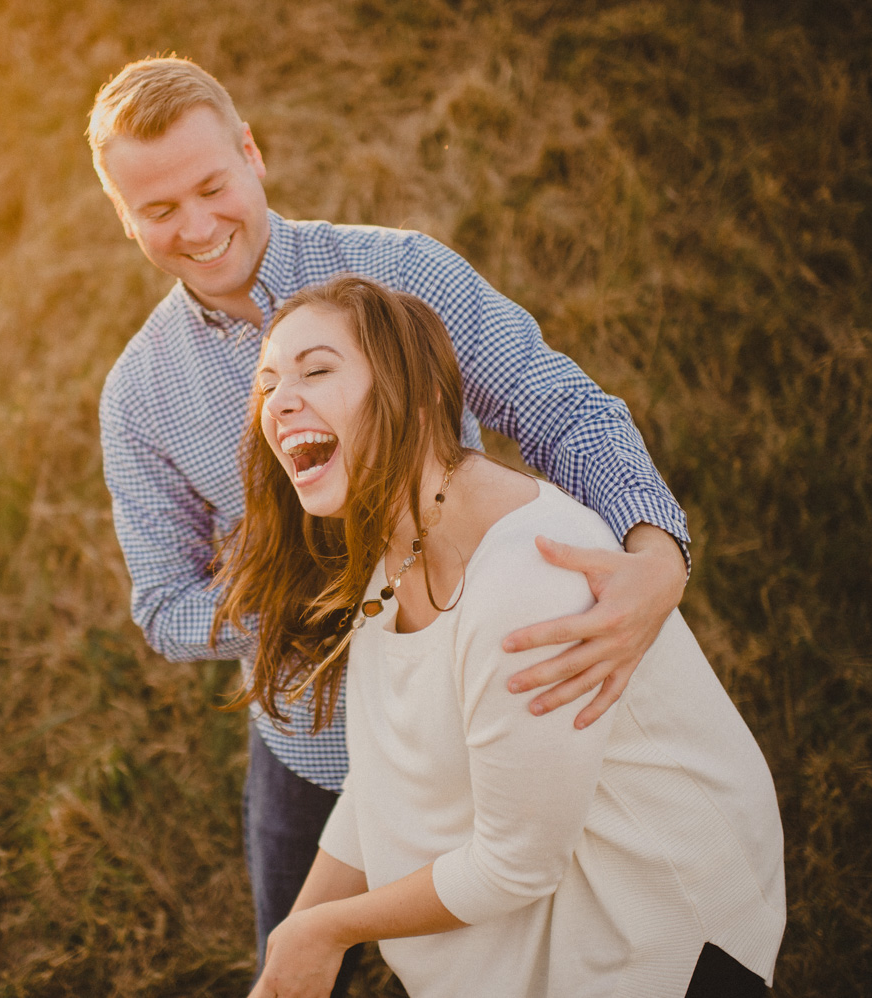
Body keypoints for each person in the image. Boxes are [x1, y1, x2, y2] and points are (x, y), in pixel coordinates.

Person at [88, 57, 694, 985]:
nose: (200, 227)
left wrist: (657, 551)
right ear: (123, 216)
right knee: (295, 966)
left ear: (252, 155)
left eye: (213, 186)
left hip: (472, 704)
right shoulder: (138, 395)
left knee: (514, 961)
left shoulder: (400, 272)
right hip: (313, 745)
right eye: (159, 210)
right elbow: (164, 605)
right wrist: (306, 591)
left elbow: (553, 406)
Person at [215, 275, 785, 998]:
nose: (280, 400)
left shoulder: (529, 576)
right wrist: (293, 937)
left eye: (317, 370)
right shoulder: (389, 546)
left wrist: (327, 932)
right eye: (268, 383)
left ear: (415, 396)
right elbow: (383, 779)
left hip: (653, 949)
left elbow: (518, 863)